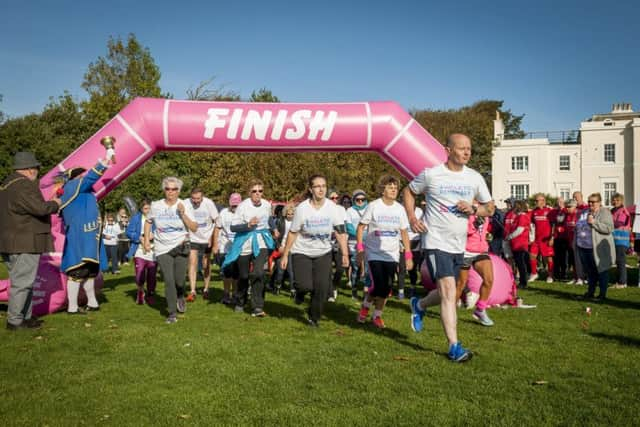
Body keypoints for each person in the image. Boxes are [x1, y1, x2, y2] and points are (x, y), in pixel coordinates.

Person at [403, 133, 494, 362]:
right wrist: (413, 218)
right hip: (435, 242)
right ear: (448, 149)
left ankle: (420, 304)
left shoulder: (474, 178)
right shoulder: (432, 174)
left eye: (469, 149)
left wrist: (474, 210)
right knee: (448, 291)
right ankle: (455, 347)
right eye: (462, 148)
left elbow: (490, 208)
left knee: (451, 293)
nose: (467, 152)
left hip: (458, 244)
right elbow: (409, 191)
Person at [0, 152, 60, 330]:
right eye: (35, 167)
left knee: (21, 280)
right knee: (23, 283)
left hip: (9, 241)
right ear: (27, 169)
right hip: (25, 240)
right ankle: (15, 321)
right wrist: (55, 203)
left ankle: (25, 317)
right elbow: (39, 208)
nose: (37, 171)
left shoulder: (6, 185)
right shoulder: (24, 185)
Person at [280, 174, 348, 327]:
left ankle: (314, 317)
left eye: (323, 186)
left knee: (322, 287)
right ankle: (300, 293)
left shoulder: (332, 208)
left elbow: (339, 231)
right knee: (305, 286)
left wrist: (344, 253)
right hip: (302, 251)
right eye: (317, 186)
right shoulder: (302, 208)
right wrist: (285, 255)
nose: (321, 189)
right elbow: (293, 232)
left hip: (323, 252)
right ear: (311, 189)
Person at [57, 149, 115, 314]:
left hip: (90, 235)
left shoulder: (82, 191)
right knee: (76, 271)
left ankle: (93, 303)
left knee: (90, 273)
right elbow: (92, 176)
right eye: (80, 175)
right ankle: (72, 307)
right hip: (81, 237)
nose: (83, 177)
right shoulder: (72, 186)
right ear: (74, 178)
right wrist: (106, 160)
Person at [356, 175, 412, 328]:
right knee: (379, 285)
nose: (394, 190)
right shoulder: (374, 206)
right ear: (383, 190)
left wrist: (408, 255)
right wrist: (360, 248)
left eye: (395, 187)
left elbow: (404, 232)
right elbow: (361, 227)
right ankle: (366, 306)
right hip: (374, 252)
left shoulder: (400, 209)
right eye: (390, 187)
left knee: (386, 288)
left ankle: (376, 315)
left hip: (392, 254)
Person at [144, 177, 197, 324]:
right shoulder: (156, 205)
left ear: (179, 191)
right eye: (168, 189)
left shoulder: (185, 205)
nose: (171, 192)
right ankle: (172, 313)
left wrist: (183, 214)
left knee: (179, 280)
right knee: (168, 280)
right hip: (162, 248)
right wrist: (147, 240)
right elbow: (148, 222)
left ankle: (180, 295)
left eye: (174, 189)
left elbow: (194, 227)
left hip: (180, 245)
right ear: (164, 190)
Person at [223, 179, 276, 317]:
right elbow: (233, 227)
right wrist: (248, 225)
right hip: (245, 241)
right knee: (244, 275)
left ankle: (257, 306)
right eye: (254, 191)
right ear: (249, 193)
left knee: (258, 273)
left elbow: (269, 219)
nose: (258, 194)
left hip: (262, 241)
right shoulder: (242, 207)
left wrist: (274, 229)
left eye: (260, 191)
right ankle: (240, 301)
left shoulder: (266, 204)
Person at [575, 193, 615, 300]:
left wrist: (594, 222)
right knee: (590, 272)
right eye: (589, 201)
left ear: (599, 202)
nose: (590, 203)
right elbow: (578, 226)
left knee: (602, 271)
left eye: (593, 202)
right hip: (583, 246)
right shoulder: (584, 212)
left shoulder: (605, 212)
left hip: (597, 248)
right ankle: (590, 292)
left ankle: (602, 295)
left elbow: (609, 228)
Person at [186, 188, 219, 301]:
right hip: (193, 237)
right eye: (193, 199)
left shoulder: (209, 203)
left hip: (206, 238)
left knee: (206, 265)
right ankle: (192, 290)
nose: (196, 201)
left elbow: (217, 221)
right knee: (192, 263)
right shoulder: (186, 203)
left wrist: (213, 239)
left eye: (198, 199)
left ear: (202, 197)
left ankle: (206, 288)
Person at [125, 199, 157, 305]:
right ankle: (140, 291)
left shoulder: (156, 218)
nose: (147, 211)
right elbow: (128, 232)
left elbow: (161, 230)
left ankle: (150, 294)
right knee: (140, 274)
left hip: (153, 250)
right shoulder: (136, 218)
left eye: (149, 208)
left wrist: (154, 235)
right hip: (139, 249)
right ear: (141, 209)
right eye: (145, 208)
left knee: (152, 274)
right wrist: (139, 238)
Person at [214, 193, 242, 304]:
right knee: (227, 272)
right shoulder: (224, 213)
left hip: (239, 247)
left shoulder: (243, 214)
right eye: (233, 205)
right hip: (225, 247)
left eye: (236, 205)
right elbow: (217, 228)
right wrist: (215, 244)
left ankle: (235, 294)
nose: (234, 207)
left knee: (236, 274)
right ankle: (226, 294)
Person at [346, 189, 370, 300]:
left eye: (362, 199)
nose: (360, 202)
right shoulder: (349, 211)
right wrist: (360, 235)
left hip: (369, 243)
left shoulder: (370, 209)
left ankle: (366, 292)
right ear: (353, 200)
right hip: (354, 243)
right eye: (357, 200)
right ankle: (354, 290)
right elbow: (349, 228)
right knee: (355, 267)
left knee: (367, 268)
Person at [505, 200, 531, 290]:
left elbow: (520, 230)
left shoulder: (522, 216)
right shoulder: (518, 216)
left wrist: (510, 236)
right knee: (519, 263)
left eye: (515, 206)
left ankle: (523, 282)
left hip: (520, 243)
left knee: (521, 264)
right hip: (516, 243)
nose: (513, 208)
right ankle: (522, 281)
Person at [529, 193, 555, 283]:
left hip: (546, 239)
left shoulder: (549, 211)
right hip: (537, 239)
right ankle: (534, 273)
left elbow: (553, 225)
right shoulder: (534, 211)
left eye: (538, 200)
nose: (536, 202)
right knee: (532, 255)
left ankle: (550, 275)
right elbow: (531, 224)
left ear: (543, 201)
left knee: (548, 258)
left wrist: (552, 237)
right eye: (535, 200)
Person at [328, 189, 347, 302]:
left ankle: (334, 286)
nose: (335, 200)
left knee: (340, 269)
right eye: (332, 198)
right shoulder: (324, 209)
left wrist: (342, 238)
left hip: (338, 242)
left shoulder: (341, 209)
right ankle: (330, 292)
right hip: (326, 243)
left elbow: (343, 225)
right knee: (328, 270)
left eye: (336, 198)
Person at [610, 193, 631, 289]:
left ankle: (622, 282)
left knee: (621, 261)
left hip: (622, 240)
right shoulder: (612, 210)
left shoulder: (623, 211)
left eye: (617, 200)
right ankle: (618, 281)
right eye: (614, 200)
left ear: (621, 201)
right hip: (615, 240)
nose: (615, 202)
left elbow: (620, 223)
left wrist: (608, 222)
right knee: (617, 262)